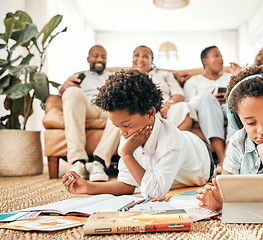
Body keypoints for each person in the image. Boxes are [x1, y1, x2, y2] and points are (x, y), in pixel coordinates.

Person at [62, 69, 214, 199]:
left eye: (126, 125)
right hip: (185, 146)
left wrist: (127, 155)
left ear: (150, 113)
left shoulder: (171, 143)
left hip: (203, 159)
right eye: (117, 126)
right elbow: (127, 185)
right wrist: (88, 187)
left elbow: (155, 193)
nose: (122, 133)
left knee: (159, 173)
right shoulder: (128, 134)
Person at [195, 65, 263, 211]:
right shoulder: (237, 142)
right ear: (237, 119)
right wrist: (218, 200)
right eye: (251, 123)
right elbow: (226, 187)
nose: (261, 130)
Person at [59, 45, 120, 182]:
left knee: (121, 102)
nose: (99, 59)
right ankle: (78, 162)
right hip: (87, 107)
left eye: (103, 57)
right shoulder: (78, 76)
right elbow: (62, 93)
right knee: (72, 91)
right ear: (88, 59)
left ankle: (99, 163)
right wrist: (64, 88)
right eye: (95, 56)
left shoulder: (113, 76)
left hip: (107, 108)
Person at [183, 46, 236, 172]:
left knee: (235, 102)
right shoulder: (193, 81)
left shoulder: (230, 77)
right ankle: (223, 159)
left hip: (227, 108)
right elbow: (189, 103)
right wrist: (210, 97)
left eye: (221, 56)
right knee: (208, 99)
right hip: (207, 110)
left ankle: (223, 162)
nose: (221, 60)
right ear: (205, 61)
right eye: (216, 56)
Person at [131, 45, 197, 131]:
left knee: (184, 107)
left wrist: (168, 104)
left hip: (166, 108)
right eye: (137, 55)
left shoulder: (164, 75)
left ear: (152, 61)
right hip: (143, 110)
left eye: (145, 56)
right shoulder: (126, 77)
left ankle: (177, 142)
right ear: (132, 58)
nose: (140, 59)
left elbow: (179, 94)